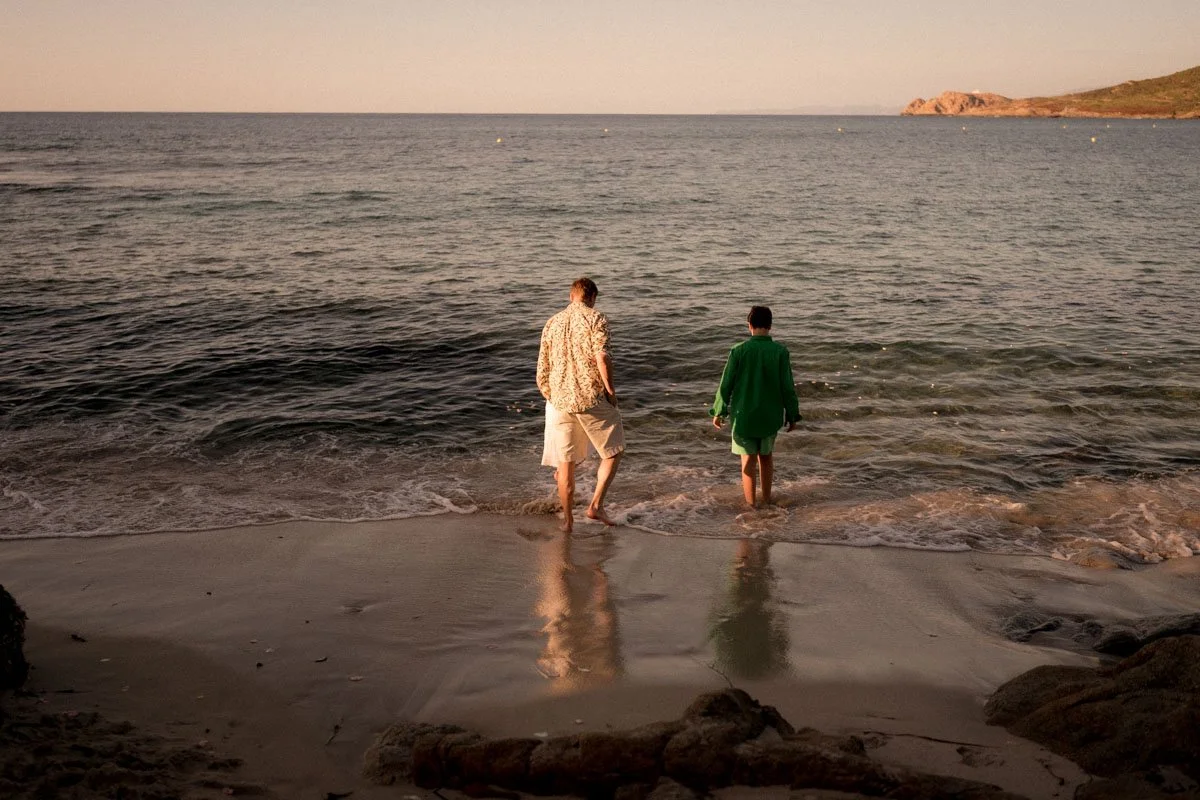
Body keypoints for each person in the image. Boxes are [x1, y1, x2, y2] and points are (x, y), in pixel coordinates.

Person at [537, 277, 625, 532]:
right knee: (613, 450)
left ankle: (567, 522)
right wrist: (610, 391)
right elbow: (603, 357)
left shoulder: (551, 323)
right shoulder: (596, 319)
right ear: (593, 297)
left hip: (558, 401)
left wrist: (552, 396)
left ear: (571, 296)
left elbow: (542, 371)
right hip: (589, 398)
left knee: (565, 465)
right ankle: (595, 506)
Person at [710, 305, 801, 507]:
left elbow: (726, 384)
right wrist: (793, 414)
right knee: (766, 458)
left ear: (749, 324)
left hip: (744, 416)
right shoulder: (780, 352)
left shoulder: (738, 351)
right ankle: (767, 501)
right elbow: (787, 387)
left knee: (748, 461)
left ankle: (751, 506)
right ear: (770, 326)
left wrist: (719, 410)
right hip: (770, 415)